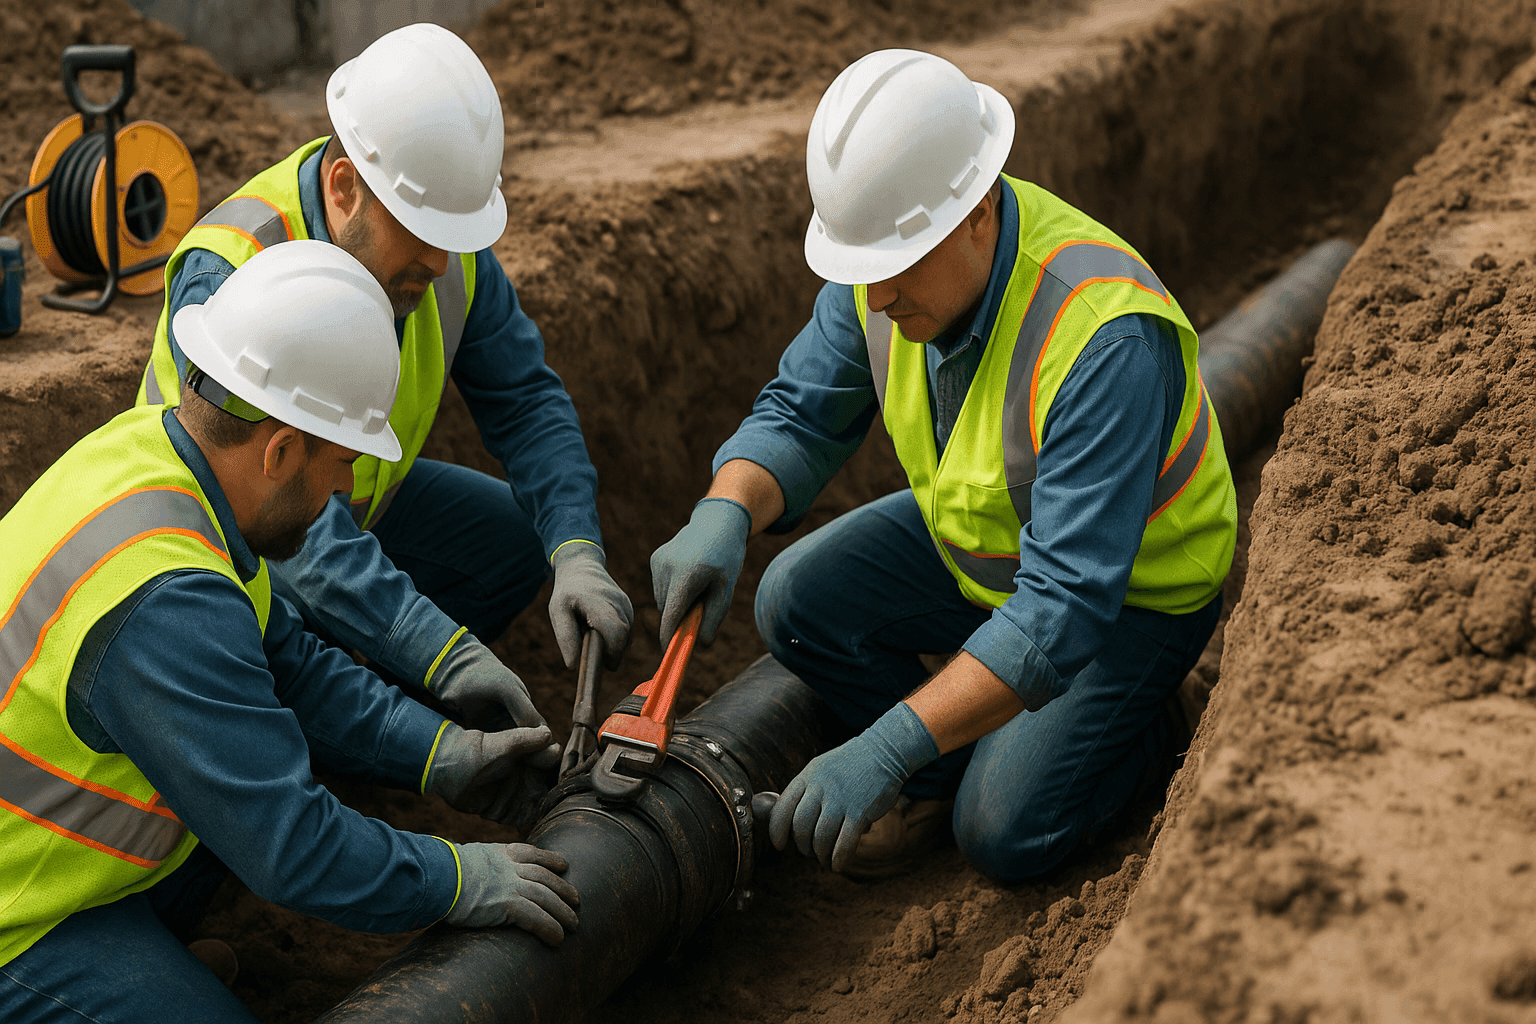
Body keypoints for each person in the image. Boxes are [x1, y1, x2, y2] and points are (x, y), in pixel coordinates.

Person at [650, 50, 1237, 882]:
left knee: (1003, 831)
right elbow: (801, 412)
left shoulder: (1102, 337)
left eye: (896, 266)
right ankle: (945, 774)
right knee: (794, 600)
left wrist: (883, 744)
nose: (876, 297)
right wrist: (727, 508)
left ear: (978, 211)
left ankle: (1153, 726)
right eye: (865, 271)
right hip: (987, 551)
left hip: (1128, 600)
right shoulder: (885, 267)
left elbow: (1064, 606)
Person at [0, 242, 580, 1023]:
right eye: (340, 461)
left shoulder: (159, 461)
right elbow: (290, 846)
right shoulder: (164, 604)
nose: (346, 486)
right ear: (278, 450)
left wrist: (443, 756)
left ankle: (141, 958)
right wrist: (457, 879)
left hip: (55, 852)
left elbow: (293, 665)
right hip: (20, 917)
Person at [136, 22, 632, 735]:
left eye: (453, 235)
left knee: (513, 540)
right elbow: (293, 529)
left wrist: (576, 547)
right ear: (345, 188)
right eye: (422, 230)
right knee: (268, 654)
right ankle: (332, 736)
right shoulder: (234, 272)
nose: (440, 264)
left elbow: (525, 400)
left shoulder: (446, 256)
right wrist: (445, 654)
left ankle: (379, 723)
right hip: (231, 548)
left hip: (346, 507)